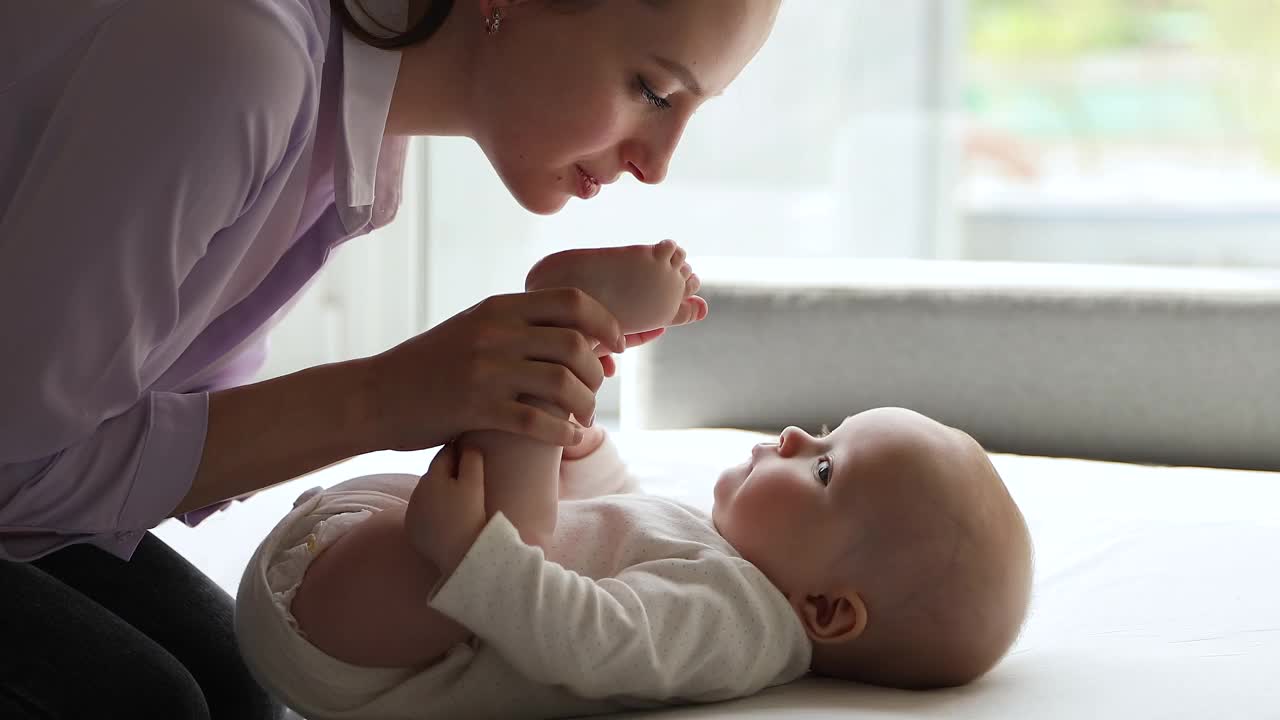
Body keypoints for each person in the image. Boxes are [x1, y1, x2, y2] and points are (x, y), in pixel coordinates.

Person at [0, 0, 779, 717]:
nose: (658, 163)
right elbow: (20, 470)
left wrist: (456, 406)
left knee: (239, 690)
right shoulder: (239, 59)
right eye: (651, 89)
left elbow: (101, 443)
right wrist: (383, 396)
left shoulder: (350, 131)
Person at [235, 241, 1035, 719]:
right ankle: (559, 340)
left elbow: (591, 636)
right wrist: (585, 455)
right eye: (822, 429)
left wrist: (477, 555)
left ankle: (562, 320)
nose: (794, 434)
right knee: (539, 491)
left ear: (826, 611)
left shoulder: (741, 630)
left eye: (825, 466)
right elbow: (621, 521)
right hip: (369, 562)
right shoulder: (735, 564)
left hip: (369, 643)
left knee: (523, 519)